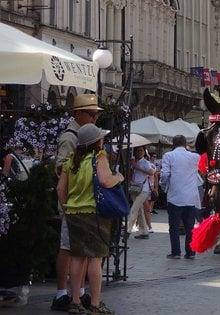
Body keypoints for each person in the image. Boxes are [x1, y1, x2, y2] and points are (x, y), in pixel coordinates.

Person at [56, 123, 123, 314]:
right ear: (96, 141)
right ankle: (95, 303)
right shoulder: (99, 157)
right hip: (94, 214)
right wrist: (119, 177)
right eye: (101, 137)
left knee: (77, 258)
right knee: (95, 259)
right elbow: (105, 180)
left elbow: (60, 189)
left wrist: (67, 207)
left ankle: (75, 301)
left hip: (74, 213)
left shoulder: (70, 160)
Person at [52, 94, 103, 312]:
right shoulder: (70, 138)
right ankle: (63, 293)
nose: (95, 118)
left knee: (79, 252)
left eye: (97, 114)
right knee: (68, 250)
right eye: (91, 114)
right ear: (77, 114)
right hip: (73, 205)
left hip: (80, 205)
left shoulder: (86, 136)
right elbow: (61, 171)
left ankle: (77, 293)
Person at [160, 135, 201, 259]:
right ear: (185, 144)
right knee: (190, 227)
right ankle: (190, 252)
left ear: (173, 143)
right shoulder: (195, 157)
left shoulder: (168, 156)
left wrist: (164, 185)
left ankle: (176, 252)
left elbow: (165, 174)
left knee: (174, 227)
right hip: (191, 197)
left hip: (175, 196)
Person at [127, 146, 155, 239]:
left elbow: (151, 172)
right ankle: (144, 232)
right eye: (137, 150)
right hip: (134, 188)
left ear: (144, 152)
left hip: (143, 189)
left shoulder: (145, 162)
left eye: (141, 150)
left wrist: (137, 167)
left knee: (134, 208)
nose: (139, 152)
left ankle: (128, 229)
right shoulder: (133, 161)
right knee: (139, 210)